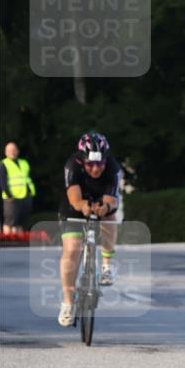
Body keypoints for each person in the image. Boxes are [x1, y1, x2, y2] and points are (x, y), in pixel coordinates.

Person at [57, 131, 121, 327]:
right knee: (72, 249)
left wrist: (105, 207)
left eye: (100, 164)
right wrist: (83, 206)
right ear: (82, 160)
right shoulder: (72, 166)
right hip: (74, 206)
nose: (95, 169)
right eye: (90, 164)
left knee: (110, 216)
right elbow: (75, 199)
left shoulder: (112, 167)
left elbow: (111, 197)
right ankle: (68, 303)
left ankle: (106, 265)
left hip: (102, 201)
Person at [1, 142, 36, 234]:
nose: (12, 152)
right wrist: (9, 194)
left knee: (20, 222)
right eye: (10, 150)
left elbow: (28, 178)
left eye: (14, 150)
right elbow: (2, 181)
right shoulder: (3, 164)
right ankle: (7, 244)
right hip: (11, 198)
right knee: (10, 222)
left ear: (17, 151)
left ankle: (19, 244)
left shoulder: (24, 163)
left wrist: (30, 192)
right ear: (6, 152)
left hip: (25, 196)